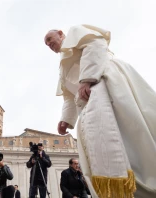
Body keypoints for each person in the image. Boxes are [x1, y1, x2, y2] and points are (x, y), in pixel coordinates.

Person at [44, 24, 156, 197]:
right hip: (89, 101)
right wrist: (65, 119)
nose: (49, 44)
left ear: (60, 34)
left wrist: (87, 78)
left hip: (106, 84)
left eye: (50, 39)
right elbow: (68, 95)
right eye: (46, 44)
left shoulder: (75, 33)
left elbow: (95, 44)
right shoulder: (62, 68)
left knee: (129, 135)